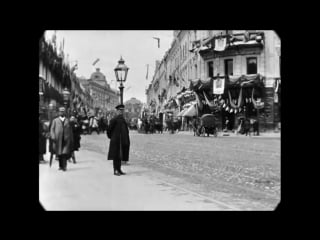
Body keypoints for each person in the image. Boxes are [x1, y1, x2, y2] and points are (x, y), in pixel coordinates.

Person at [107, 104, 130, 176]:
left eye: (122, 110)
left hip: (122, 140)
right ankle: (115, 170)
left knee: (120, 155)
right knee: (116, 156)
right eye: (120, 110)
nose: (122, 112)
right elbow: (109, 130)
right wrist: (112, 137)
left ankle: (119, 169)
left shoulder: (123, 120)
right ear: (117, 111)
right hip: (116, 141)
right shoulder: (114, 119)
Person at [50, 107, 74, 171]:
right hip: (58, 139)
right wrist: (53, 136)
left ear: (65, 112)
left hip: (66, 139)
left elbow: (70, 130)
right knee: (59, 153)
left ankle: (64, 166)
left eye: (63, 111)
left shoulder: (67, 120)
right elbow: (52, 129)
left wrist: (71, 138)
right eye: (61, 111)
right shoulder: (55, 120)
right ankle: (60, 166)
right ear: (59, 112)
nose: (62, 112)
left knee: (64, 153)